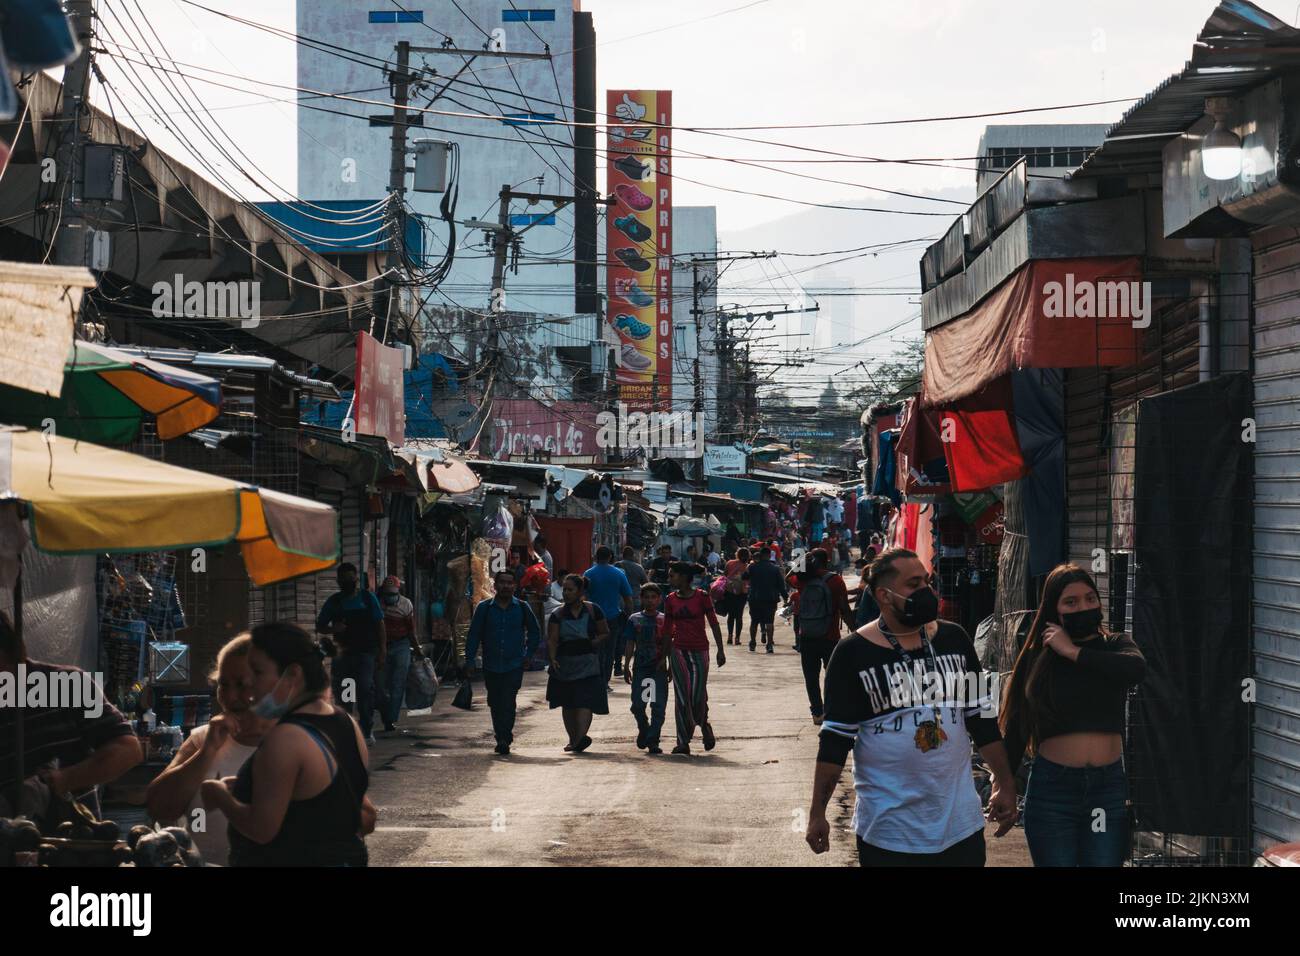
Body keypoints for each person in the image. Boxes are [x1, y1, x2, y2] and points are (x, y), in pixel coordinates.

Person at [805, 549, 1018, 867]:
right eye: (913, 584)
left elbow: (982, 717)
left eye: (927, 582)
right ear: (884, 595)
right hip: (889, 833)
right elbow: (835, 742)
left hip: (960, 826)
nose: (927, 592)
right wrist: (817, 813)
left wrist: (1005, 783)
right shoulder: (851, 654)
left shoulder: (955, 639)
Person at [1000, 564, 1146, 867]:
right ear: (1054, 609)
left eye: (1090, 598)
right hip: (1053, 789)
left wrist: (1073, 652)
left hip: (1107, 790)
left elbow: (1135, 669)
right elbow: (1018, 725)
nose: (1083, 607)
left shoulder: (1116, 645)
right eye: (1071, 602)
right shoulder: (1039, 656)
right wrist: (1004, 784)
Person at [202, 622, 373, 867]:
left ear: (292, 674)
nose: (251, 686)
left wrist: (220, 796)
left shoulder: (285, 738)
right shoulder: (344, 722)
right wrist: (246, 786)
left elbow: (261, 830)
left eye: (258, 673)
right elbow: (324, 799)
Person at [0, 611, 142, 821]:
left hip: (72, 844)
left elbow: (128, 749)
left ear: (8, 650)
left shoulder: (67, 685)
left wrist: (62, 780)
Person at [148, 634, 270, 865]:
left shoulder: (298, 741)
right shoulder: (202, 739)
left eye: (242, 685)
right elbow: (159, 808)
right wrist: (207, 751)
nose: (230, 696)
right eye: (223, 685)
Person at [465, 570, 542, 755]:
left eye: (510, 583)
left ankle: (504, 737)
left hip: (514, 664)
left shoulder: (522, 607)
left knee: (508, 700)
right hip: (491, 664)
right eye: (503, 583)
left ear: (515, 586)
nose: (506, 586)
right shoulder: (484, 608)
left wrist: (528, 655)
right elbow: (474, 635)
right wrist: (469, 660)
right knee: (494, 701)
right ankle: (500, 734)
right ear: (495, 586)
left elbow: (535, 632)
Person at [315, 563, 386, 743]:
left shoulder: (368, 599)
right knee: (346, 693)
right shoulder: (334, 602)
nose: (348, 582)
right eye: (344, 579)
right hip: (343, 655)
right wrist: (333, 628)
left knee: (364, 688)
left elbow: (380, 625)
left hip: (365, 653)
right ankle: (348, 729)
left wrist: (382, 650)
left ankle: (366, 729)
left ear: (356, 579)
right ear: (338, 581)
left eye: (351, 578)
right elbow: (320, 625)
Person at [663, 562, 725, 755]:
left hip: (700, 651)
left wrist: (721, 650)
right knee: (682, 697)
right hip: (678, 651)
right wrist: (665, 659)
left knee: (697, 696)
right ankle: (683, 741)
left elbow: (714, 623)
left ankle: (703, 723)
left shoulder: (702, 597)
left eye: (673, 575)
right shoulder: (670, 599)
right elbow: (666, 630)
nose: (669, 579)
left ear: (683, 577)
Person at [546, 574, 610, 753]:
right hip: (565, 664)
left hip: (588, 664)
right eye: (564, 589)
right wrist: (552, 659)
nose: (566, 593)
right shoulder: (557, 614)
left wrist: (591, 644)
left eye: (570, 589)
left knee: (585, 701)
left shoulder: (593, 610)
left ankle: (580, 738)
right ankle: (573, 739)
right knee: (568, 703)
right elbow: (552, 639)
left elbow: (605, 632)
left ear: (580, 591)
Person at [794, 550, 853, 724]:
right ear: (827, 561)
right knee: (833, 675)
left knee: (811, 677)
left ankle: (817, 713)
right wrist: (855, 631)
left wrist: (802, 560)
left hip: (807, 636)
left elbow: (788, 576)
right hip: (830, 636)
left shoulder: (803, 581)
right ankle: (832, 708)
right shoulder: (835, 580)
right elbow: (844, 609)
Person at [622, 584, 671, 755]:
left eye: (653, 597)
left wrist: (670, 664)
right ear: (641, 599)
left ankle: (653, 739)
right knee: (638, 704)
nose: (650, 601)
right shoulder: (634, 619)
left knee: (658, 705)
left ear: (659, 599)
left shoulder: (665, 620)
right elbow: (629, 643)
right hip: (641, 669)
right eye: (647, 597)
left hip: (658, 669)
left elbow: (669, 644)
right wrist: (626, 664)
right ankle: (644, 727)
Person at [583, 546, 634, 682]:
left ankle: (595, 678)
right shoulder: (618, 574)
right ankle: (605, 681)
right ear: (610, 557)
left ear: (596, 557)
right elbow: (628, 599)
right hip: (612, 617)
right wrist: (629, 617)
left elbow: (582, 596)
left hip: (592, 617)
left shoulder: (588, 573)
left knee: (594, 648)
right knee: (610, 650)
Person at [375, 576, 417, 735]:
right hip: (381, 647)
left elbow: (411, 630)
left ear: (399, 591)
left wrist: (417, 650)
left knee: (398, 683)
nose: (390, 596)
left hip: (401, 646)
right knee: (381, 684)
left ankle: (390, 719)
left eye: (393, 593)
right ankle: (386, 715)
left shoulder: (406, 604)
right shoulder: (377, 604)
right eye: (387, 593)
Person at [743, 547, 789, 653]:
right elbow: (781, 586)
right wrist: (786, 598)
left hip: (755, 598)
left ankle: (753, 642)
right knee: (769, 622)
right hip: (770, 598)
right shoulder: (775, 569)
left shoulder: (753, 567)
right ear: (769, 555)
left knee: (754, 621)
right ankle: (769, 644)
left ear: (760, 555)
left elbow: (744, 577)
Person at [721, 547, 750, 646]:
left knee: (731, 616)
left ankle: (729, 637)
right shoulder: (747, 566)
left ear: (737, 554)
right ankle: (737, 638)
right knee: (739, 616)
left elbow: (724, 576)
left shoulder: (729, 563)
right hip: (742, 593)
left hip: (729, 592)